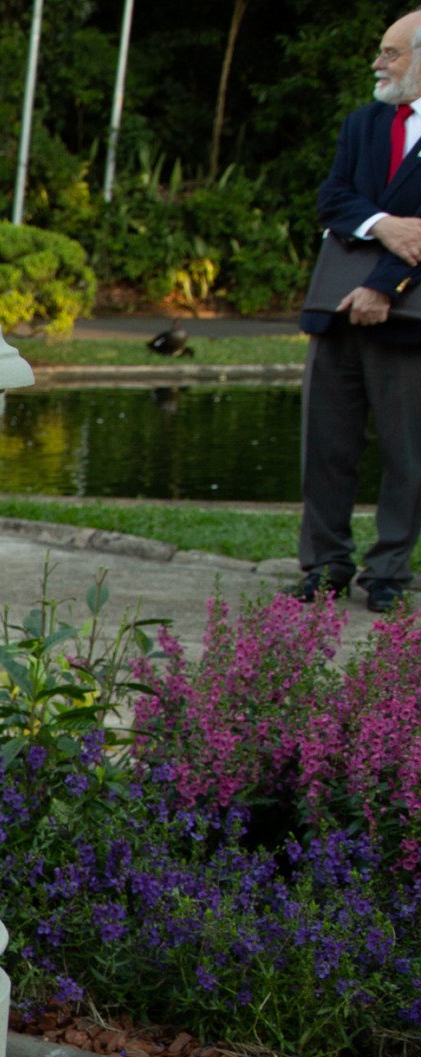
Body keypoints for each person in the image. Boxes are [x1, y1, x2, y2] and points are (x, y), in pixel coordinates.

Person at [294, 9, 421, 615]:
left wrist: (383, 284)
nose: (378, 63)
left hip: (407, 322)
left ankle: (389, 570)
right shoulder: (363, 124)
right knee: (326, 444)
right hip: (334, 312)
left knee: (407, 451)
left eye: (391, 53)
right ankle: (324, 564)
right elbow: (333, 197)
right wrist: (385, 225)